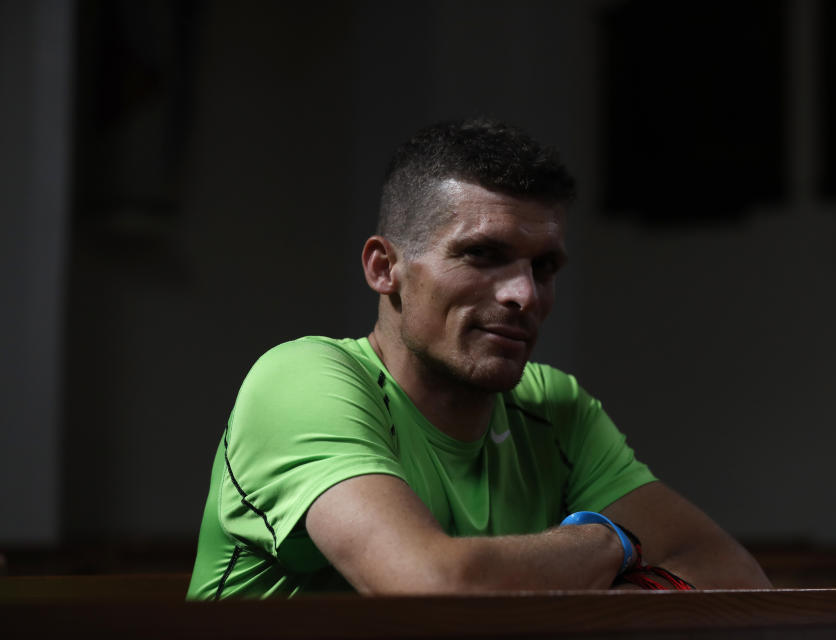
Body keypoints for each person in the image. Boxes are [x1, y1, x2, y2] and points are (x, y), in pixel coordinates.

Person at [187, 117, 771, 599]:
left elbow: (737, 580)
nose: (524, 295)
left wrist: (610, 594)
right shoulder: (302, 379)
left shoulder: (553, 404)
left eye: (544, 267)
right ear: (383, 267)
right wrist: (608, 542)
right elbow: (427, 587)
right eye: (483, 254)